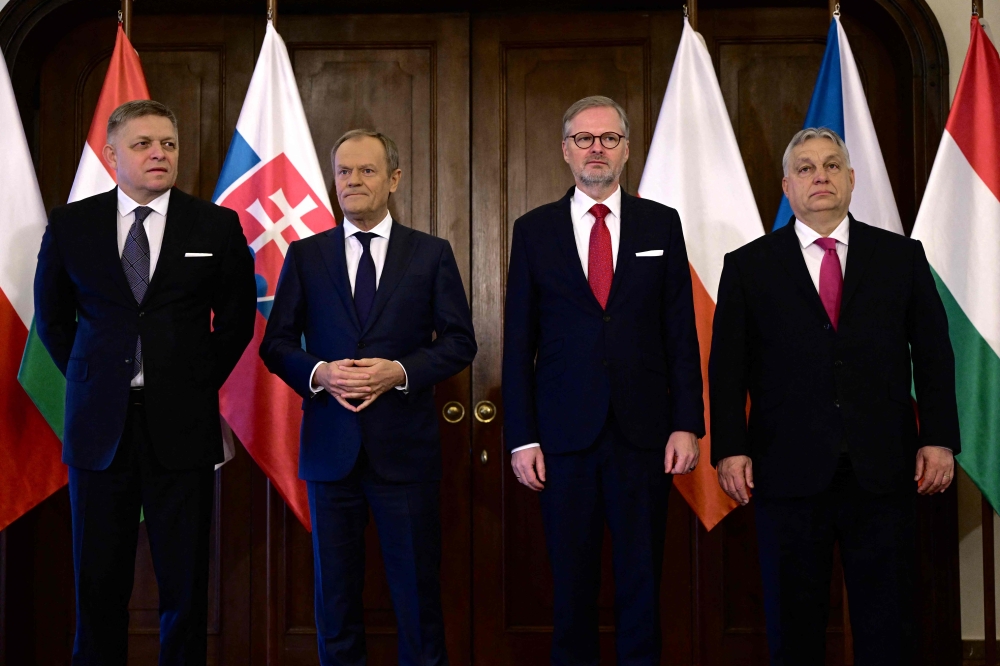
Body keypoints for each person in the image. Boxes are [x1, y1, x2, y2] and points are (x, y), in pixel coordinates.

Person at [709, 127, 960, 665]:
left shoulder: (901, 256)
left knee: (888, 623)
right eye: (805, 168)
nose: (818, 176)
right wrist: (730, 447)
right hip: (786, 470)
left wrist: (938, 438)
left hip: (884, 467)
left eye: (830, 165)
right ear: (786, 186)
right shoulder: (748, 265)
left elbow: (934, 354)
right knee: (794, 625)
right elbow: (727, 368)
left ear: (850, 178)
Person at [33, 100, 257, 665]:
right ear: (111, 154)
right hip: (98, 427)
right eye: (143, 144)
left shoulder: (215, 225)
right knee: (98, 584)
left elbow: (233, 322)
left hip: (181, 427)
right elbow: (54, 320)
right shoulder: (71, 224)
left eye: (168, 144)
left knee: (184, 583)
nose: (159, 153)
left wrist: (191, 380)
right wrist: (92, 378)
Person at [259, 129, 476, 666]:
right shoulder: (306, 256)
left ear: (394, 179)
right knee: (334, 603)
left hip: (404, 454)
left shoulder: (430, 254)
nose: (353, 181)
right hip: (331, 454)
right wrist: (320, 373)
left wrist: (399, 371)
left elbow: (459, 342)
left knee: (417, 600)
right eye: (344, 172)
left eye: (367, 171)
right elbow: (276, 344)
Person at [502, 95, 704, 666]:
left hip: (644, 435)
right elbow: (519, 343)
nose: (597, 148)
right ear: (566, 151)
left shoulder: (660, 223)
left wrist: (687, 424)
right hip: (563, 439)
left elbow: (679, 333)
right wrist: (522, 437)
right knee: (570, 587)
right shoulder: (534, 230)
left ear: (627, 149)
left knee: (643, 581)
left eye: (609, 138)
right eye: (585, 139)